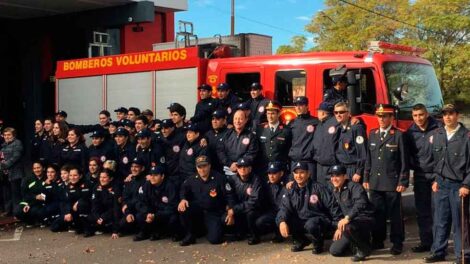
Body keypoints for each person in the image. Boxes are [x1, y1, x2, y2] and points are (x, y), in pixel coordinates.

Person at [424, 104, 470, 263]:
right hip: (441, 185)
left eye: (451, 114)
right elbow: (434, 162)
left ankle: (463, 254)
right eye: (445, 114)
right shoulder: (437, 134)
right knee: (440, 221)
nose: (447, 117)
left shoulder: (466, 136)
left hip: (459, 186)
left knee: (460, 223)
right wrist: (435, 180)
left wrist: (467, 185)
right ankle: (438, 251)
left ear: (457, 115)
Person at [363, 104, 409, 255]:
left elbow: (404, 161)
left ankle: (397, 243)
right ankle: (378, 240)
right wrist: (366, 177)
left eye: (385, 116)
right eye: (379, 116)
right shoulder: (373, 134)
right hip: (375, 182)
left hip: (392, 183)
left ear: (391, 118)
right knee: (377, 213)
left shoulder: (399, 135)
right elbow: (368, 159)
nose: (381, 119)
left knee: (395, 215)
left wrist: (403, 181)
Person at [276, 162, 342, 254]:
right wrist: (282, 221)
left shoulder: (318, 188)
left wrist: (338, 225)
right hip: (302, 220)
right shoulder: (290, 190)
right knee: (283, 219)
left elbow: (332, 206)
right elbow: (284, 208)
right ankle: (301, 240)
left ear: (308, 174)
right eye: (296, 173)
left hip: (318, 220)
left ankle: (318, 243)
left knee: (311, 224)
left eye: (302, 172)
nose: (299, 176)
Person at [405, 103, 440, 253]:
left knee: (438, 211)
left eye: (421, 115)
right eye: (415, 116)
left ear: (426, 114)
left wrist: (439, 176)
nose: (418, 118)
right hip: (420, 176)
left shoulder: (439, 129)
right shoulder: (410, 132)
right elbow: (408, 155)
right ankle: (426, 242)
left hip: (437, 176)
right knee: (422, 212)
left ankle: (438, 245)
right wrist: (415, 168)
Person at [178, 155, 235, 246]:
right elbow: (183, 189)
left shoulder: (219, 178)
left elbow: (229, 195)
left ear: (209, 166)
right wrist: (183, 199)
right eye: (199, 167)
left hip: (213, 212)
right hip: (199, 211)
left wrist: (231, 209)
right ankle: (190, 235)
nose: (202, 169)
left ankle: (209, 231)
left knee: (215, 240)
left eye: (204, 166)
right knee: (183, 208)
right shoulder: (192, 179)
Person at [328, 165, 374, 262]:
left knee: (348, 228)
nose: (334, 179)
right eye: (332, 176)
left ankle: (364, 249)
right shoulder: (335, 190)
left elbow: (361, 203)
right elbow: (338, 212)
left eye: (337, 176)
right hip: (349, 223)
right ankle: (355, 244)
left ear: (345, 176)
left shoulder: (355, 187)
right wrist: (339, 227)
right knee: (335, 251)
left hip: (364, 220)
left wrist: (347, 218)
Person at [134, 165, 179, 241]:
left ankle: (175, 234)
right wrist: (147, 213)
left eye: (156, 175)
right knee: (139, 216)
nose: (152, 177)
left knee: (173, 219)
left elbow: (173, 206)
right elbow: (140, 202)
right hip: (152, 212)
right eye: (151, 175)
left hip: (165, 213)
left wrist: (156, 215)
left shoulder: (170, 186)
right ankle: (146, 233)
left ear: (162, 176)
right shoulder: (147, 185)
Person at [226, 158, 265, 245]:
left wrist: (235, 209)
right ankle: (238, 233)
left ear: (250, 168)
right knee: (224, 218)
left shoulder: (256, 180)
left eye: (245, 167)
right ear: (237, 168)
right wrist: (231, 209)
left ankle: (254, 236)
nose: (242, 169)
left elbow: (254, 201)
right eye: (240, 167)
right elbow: (230, 196)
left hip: (254, 208)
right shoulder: (232, 179)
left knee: (250, 213)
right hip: (239, 207)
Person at [50, 166, 92, 234]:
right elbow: (67, 202)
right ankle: (70, 225)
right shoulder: (68, 186)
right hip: (73, 211)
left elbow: (87, 197)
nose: (72, 177)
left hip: (87, 210)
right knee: (54, 227)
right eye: (71, 175)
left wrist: (78, 202)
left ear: (80, 176)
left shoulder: (87, 184)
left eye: (75, 175)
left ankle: (86, 228)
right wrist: (67, 213)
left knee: (81, 205)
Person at [333, 102, 367, 182]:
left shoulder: (356, 128)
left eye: (341, 112)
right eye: (336, 112)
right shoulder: (338, 128)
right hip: (341, 169)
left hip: (353, 169)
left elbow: (362, 151)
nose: (338, 115)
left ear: (348, 113)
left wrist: (359, 172)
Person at [255, 161, 287, 243]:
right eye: (269, 173)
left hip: (285, 213)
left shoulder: (287, 185)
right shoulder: (266, 185)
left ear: (281, 173)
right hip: (273, 212)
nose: (271, 176)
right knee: (260, 221)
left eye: (274, 173)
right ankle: (276, 233)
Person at [219, 110, 259, 175]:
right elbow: (220, 151)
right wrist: (230, 164)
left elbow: (251, 154)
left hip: (244, 171)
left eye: (240, 119)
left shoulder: (251, 136)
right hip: (228, 170)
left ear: (246, 120)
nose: (237, 121)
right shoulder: (226, 134)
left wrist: (239, 164)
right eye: (235, 118)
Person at [256, 101, 291, 174]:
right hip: (264, 169)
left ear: (278, 114)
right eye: (268, 113)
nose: (270, 116)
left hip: (279, 169)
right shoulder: (260, 129)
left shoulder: (286, 130)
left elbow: (288, 151)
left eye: (273, 113)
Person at [86, 169, 122, 238]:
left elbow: (116, 208)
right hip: (100, 213)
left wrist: (115, 231)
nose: (102, 179)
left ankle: (114, 229)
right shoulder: (96, 187)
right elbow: (94, 205)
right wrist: (97, 217)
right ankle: (95, 229)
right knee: (88, 217)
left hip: (111, 213)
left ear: (110, 178)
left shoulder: (116, 188)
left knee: (118, 218)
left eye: (104, 177)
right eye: (100, 177)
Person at [287, 96, 318, 176]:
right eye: (296, 105)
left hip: (309, 162)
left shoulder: (316, 122)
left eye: (301, 105)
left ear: (307, 106)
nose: (298, 107)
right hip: (295, 161)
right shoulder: (292, 123)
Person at [313, 102, 339, 184]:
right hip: (320, 165)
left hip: (332, 166)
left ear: (323, 112)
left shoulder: (336, 123)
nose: (318, 114)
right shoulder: (320, 124)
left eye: (318, 111)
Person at [0, 127, 24, 216]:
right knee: (7, 193)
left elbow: (15, 157)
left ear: (13, 135)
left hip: (15, 173)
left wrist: (4, 165)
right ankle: (8, 211)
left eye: (9, 134)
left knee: (16, 194)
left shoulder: (18, 143)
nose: (7, 136)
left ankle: (17, 213)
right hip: (5, 174)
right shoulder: (3, 145)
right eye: (5, 135)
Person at [120, 157, 147, 235]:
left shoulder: (146, 181)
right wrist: (128, 213)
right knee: (122, 224)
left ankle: (144, 232)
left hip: (142, 209)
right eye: (132, 166)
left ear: (142, 168)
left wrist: (128, 205)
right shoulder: (129, 181)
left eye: (136, 167)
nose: (133, 169)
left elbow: (142, 199)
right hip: (131, 209)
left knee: (140, 217)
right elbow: (125, 198)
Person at [15, 161, 47, 226]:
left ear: (43, 168)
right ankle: (30, 221)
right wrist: (33, 199)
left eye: (38, 168)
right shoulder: (27, 179)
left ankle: (40, 220)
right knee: (17, 212)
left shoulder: (47, 178)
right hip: (29, 201)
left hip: (41, 202)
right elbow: (24, 195)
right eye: (34, 168)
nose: (36, 170)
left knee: (35, 211)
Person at [158, 119, 186, 186]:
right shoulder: (160, 137)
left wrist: (204, 139)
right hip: (165, 173)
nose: (163, 131)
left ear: (173, 128)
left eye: (166, 128)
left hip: (177, 174)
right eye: (162, 128)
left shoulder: (181, 137)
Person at [204, 110, 229, 174]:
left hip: (225, 168)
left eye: (217, 119)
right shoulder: (208, 134)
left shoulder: (229, 133)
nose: (214, 121)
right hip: (211, 169)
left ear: (224, 121)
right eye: (213, 119)